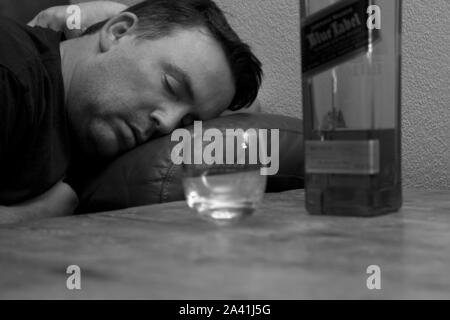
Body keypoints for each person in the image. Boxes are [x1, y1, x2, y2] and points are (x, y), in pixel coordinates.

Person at [0, 0, 263, 225]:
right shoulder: (12, 72)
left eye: (187, 121)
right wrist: (40, 212)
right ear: (118, 31)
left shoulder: (86, 125)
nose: (167, 123)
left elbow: (253, 116)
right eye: (171, 85)